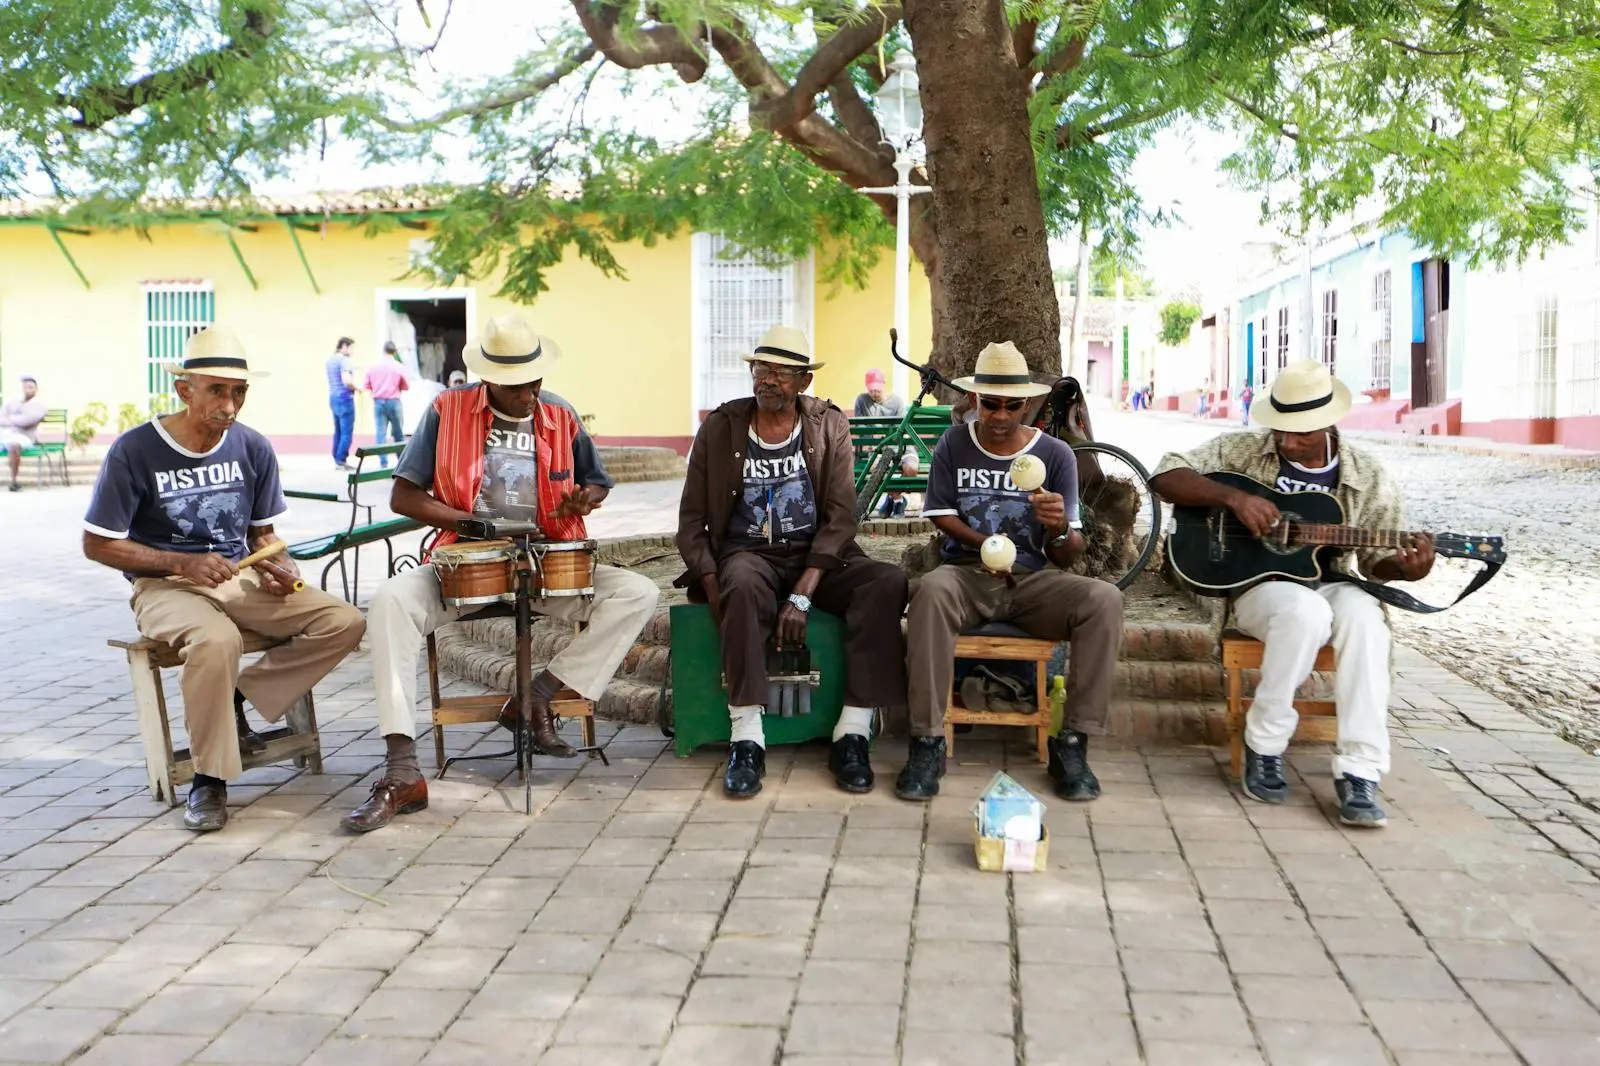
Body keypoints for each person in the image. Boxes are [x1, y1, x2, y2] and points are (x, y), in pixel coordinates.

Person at [346, 315, 660, 832]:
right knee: (390, 602)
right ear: (488, 380)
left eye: (536, 381)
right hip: (464, 563)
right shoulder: (446, 411)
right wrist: (466, 522)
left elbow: (597, 482)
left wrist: (588, 497)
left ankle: (537, 697)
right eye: (518, 386)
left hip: (548, 561)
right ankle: (401, 770)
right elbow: (403, 495)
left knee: (636, 592)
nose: (531, 393)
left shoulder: (560, 413)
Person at [82, 327, 366, 833]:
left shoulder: (252, 447)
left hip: (237, 578)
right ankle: (209, 779)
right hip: (163, 586)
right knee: (217, 639)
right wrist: (178, 563)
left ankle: (235, 697)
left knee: (343, 621)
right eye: (217, 389)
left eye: (239, 392)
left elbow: (263, 534)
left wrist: (279, 565)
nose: (230, 404)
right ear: (184, 389)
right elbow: (97, 543)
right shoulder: (135, 450)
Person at [1149, 360, 1434, 828]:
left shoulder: (1368, 474)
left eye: (1299, 433)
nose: (1286, 441)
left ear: (1327, 423)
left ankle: (1360, 770)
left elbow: (1376, 565)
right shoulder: (1244, 450)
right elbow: (1166, 475)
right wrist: (1234, 499)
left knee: (1366, 618)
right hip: (1262, 588)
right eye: (1280, 430)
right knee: (1305, 611)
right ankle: (1265, 743)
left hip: (1335, 581)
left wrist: (1407, 570)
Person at [677, 326, 909, 798]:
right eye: (761, 369)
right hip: (748, 554)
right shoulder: (720, 428)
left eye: (782, 372)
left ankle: (852, 732)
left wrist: (802, 594)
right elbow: (691, 521)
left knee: (886, 583)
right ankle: (747, 736)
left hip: (819, 554)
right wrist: (711, 581)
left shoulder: (829, 424)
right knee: (738, 583)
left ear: (803, 381)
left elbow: (843, 516)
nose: (768, 380)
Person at [899, 341, 1125, 802]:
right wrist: (983, 543)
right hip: (967, 574)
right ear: (973, 400)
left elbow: (1068, 553)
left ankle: (1073, 744)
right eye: (990, 404)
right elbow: (940, 513)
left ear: (1028, 404)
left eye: (1012, 405)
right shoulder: (954, 444)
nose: (1000, 416)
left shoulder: (1057, 455)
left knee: (1104, 601)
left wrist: (1059, 525)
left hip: (1034, 582)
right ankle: (926, 741)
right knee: (930, 591)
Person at [852, 368, 908, 518]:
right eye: (871, 390)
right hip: (876, 448)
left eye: (877, 389)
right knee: (878, 467)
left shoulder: (897, 402)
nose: (874, 393)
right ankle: (897, 501)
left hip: (898, 446)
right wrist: (870, 438)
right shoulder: (862, 400)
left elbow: (900, 429)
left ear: (884, 384)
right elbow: (859, 426)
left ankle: (892, 499)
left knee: (911, 470)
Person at [363, 341, 410, 467]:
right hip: (394, 402)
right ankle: (400, 463)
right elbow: (406, 386)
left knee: (380, 433)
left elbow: (366, 385)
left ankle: (383, 462)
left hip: (378, 402)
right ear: (394, 352)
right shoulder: (398, 366)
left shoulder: (373, 366)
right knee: (398, 433)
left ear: (383, 351)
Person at [0, 374, 46, 492]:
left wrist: (10, 419)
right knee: (10, 442)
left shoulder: (39, 406)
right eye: (25, 387)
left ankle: (14, 482)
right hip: (5, 435)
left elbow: (26, 422)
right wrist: (14, 420)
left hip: (25, 437)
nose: (27, 390)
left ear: (36, 390)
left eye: (30, 387)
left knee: (14, 446)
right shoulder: (13, 402)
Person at [326, 337, 357, 470]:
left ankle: (336, 457)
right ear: (344, 346)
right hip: (345, 399)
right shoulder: (344, 360)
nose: (352, 351)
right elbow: (347, 381)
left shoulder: (330, 360)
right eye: (351, 347)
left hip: (333, 398)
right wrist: (356, 388)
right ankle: (341, 459)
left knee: (337, 430)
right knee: (346, 432)